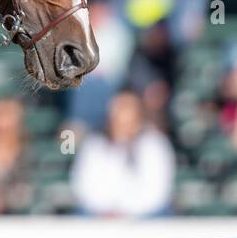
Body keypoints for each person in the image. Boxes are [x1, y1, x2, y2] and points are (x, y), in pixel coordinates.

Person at [69, 90, 176, 218]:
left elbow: (157, 192)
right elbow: (83, 186)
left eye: (125, 108)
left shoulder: (155, 143)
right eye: (116, 109)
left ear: (138, 115)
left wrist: (127, 211)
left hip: (145, 218)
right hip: (99, 217)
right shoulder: (94, 143)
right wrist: (107, 210)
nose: (118, 115)